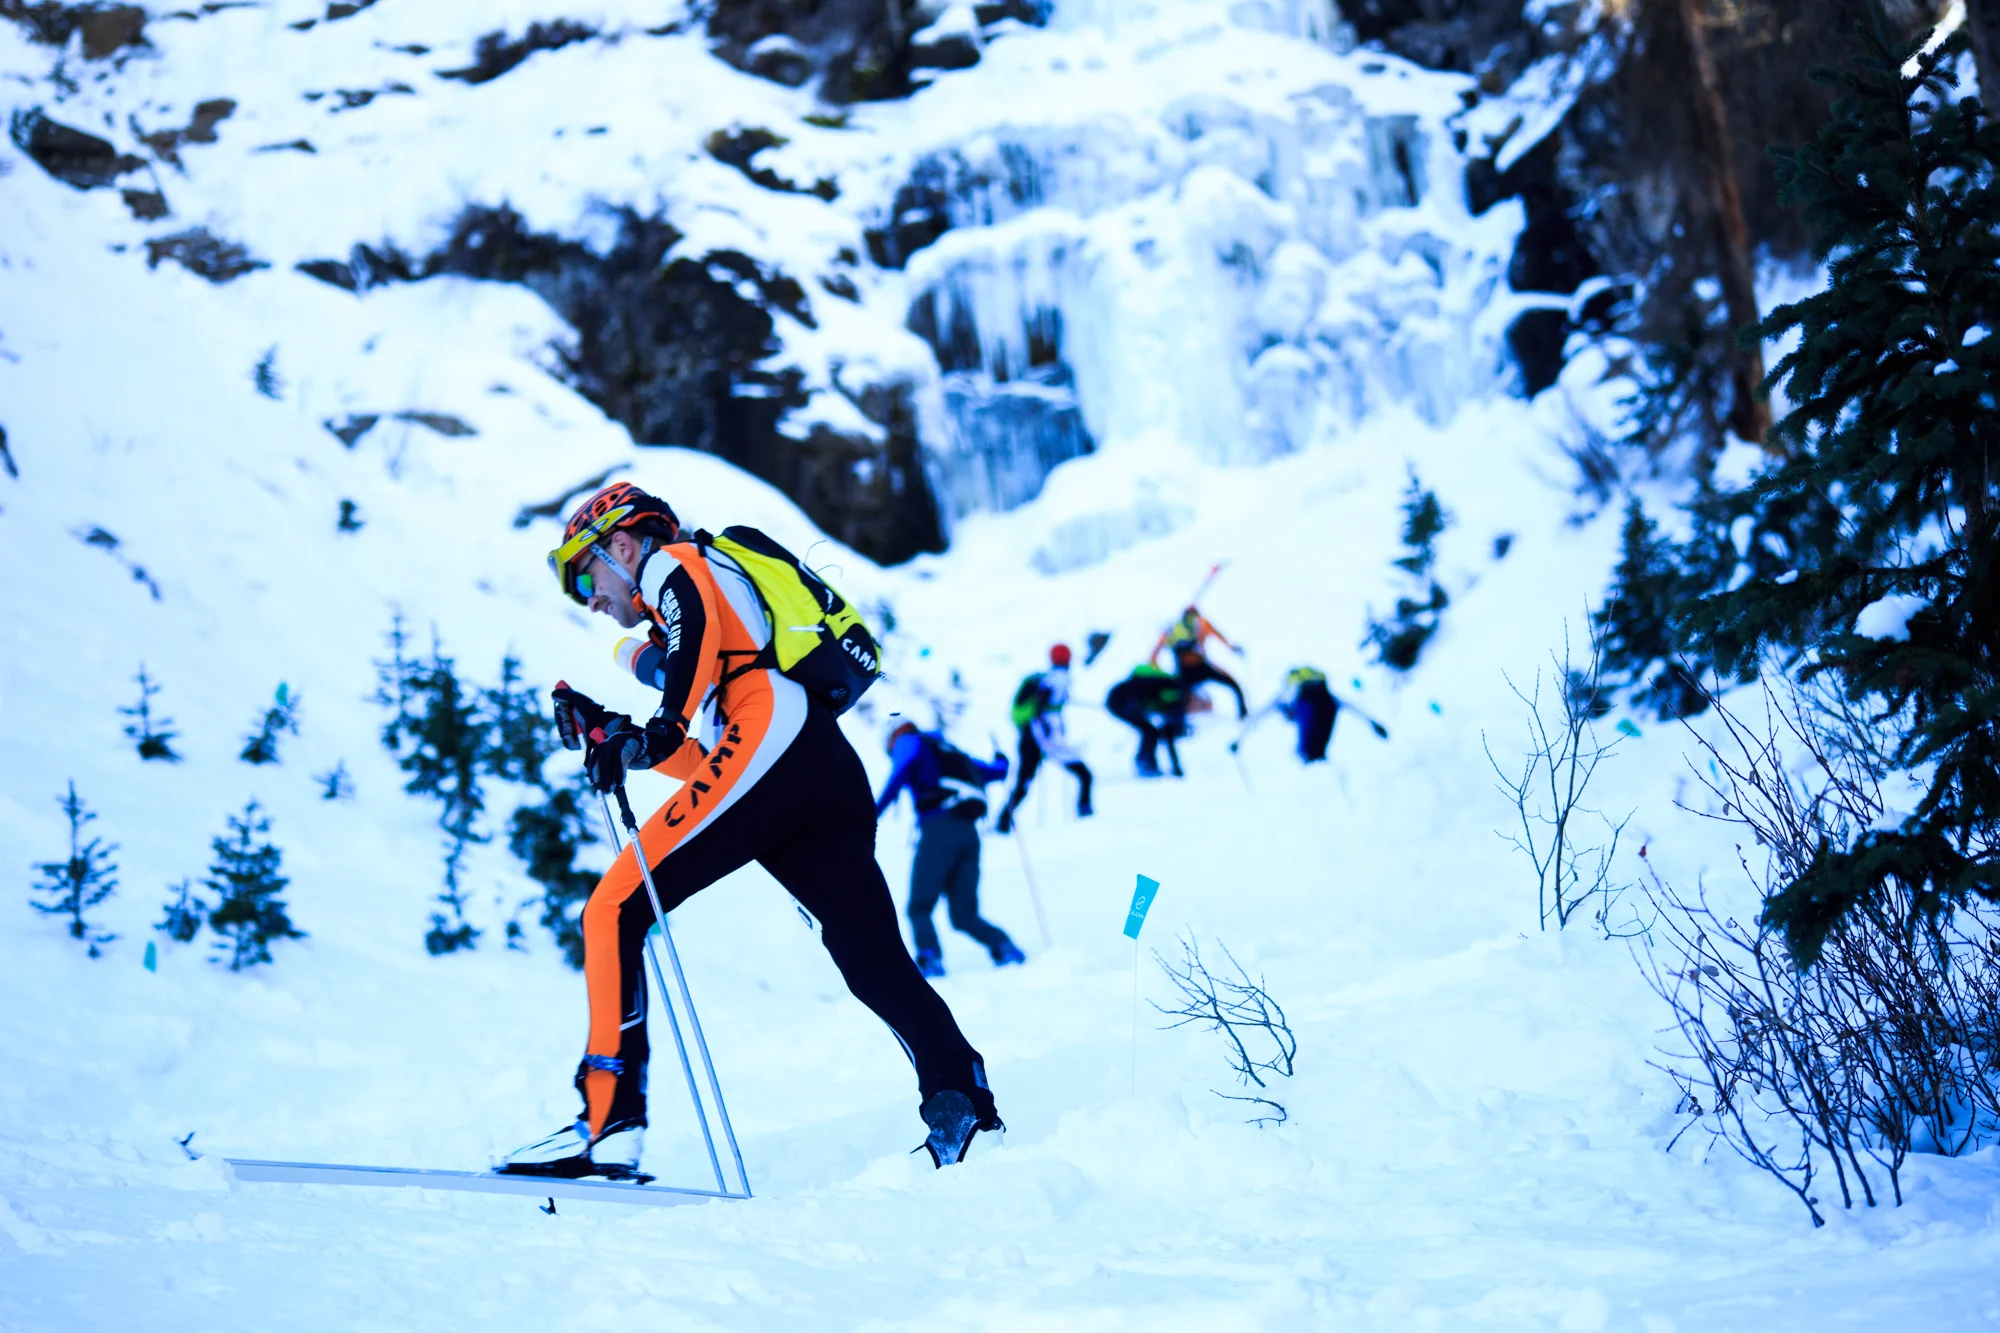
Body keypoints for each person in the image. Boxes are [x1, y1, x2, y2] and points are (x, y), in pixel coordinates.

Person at [500, 483, 1002, 1176]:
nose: (589, 597)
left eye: (585, 573)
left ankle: (606, 1122)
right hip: (811, 760)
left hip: (771, 729)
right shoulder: (703, 632)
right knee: (868, 955)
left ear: (621, 543)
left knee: (613, 908)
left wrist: (663, 721)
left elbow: (699, 648)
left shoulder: (676, 565)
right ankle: (964, 1100)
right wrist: (626, 736)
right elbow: (712, 765)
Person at [876, 721, 1024, 978]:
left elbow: (900, 771)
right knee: (963, 915)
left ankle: (931, 960)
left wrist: (870, 814)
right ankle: (1004, 946)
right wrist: (1001, 759)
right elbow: (998, 772)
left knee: (919, 907)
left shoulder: (908, 741)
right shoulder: (950, 753)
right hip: (970, 834)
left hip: (938, 830)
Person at [995, 644, 1093, 834]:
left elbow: (1041, 700)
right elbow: (1043, 700)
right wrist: (1046, 725)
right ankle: (1086, 813)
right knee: (1085, 774)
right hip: (1045, 736)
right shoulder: (1058, 678)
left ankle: (1003, 821)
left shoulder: (1048, 677)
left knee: (1024, 782)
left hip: (1032, 736)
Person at [1152, 606, 1248, 720]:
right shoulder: (1197, 625)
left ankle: (1178, 725)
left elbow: (1156, 651)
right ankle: (1243, 713)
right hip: (1196, 667)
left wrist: (1154, 668)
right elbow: (1217, 635)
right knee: (1232, 684)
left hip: (1190, 669)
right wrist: (1232, 648)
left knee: (1181, 699)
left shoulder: (1173, 630)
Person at [1106, 663, 1188, 778]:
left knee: (1150, 731)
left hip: (1121, 702)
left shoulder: (1165, 686)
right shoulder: (1165, 688)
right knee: (1149, 731)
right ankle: (1145, 763)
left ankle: (1146, 763)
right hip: (1120, 703)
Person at [1277, 666, 1340, 762]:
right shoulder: (1326, 697)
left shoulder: (1301, 695)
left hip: (1310, 704)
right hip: (1322, 703)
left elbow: (1291, 709)